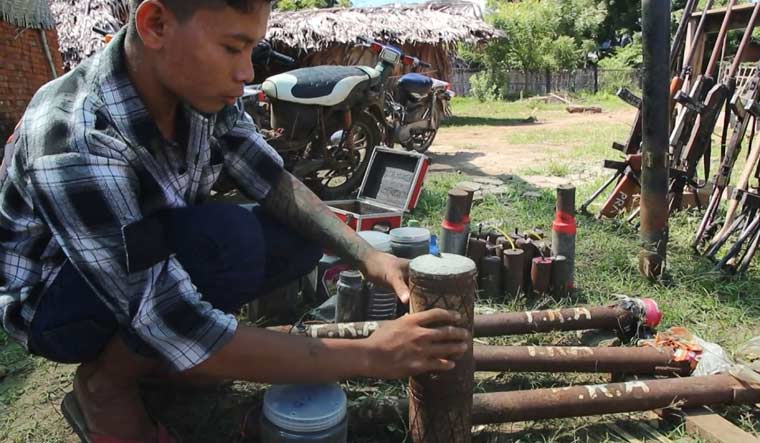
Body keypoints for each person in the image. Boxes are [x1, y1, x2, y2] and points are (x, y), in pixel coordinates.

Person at [0, 1, 470, 442]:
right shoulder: (75, 135)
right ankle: (105, 386)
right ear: (156, 25)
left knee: (295, 237)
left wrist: (367, 254)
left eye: (252, 49)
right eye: (232, 47)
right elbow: (167, 315)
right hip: (55, 302)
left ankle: (159, 364)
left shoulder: (198, 92)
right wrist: (370, 355)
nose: (246, 72)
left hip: (143, 257)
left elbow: (271, 179)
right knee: (223, 243)